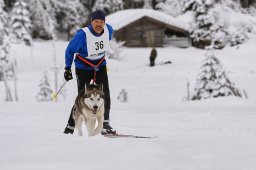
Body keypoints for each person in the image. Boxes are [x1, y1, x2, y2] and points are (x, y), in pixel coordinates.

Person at [63, 10, 116, 135]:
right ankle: (70, 126)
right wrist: (67, 68)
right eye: (96, 21)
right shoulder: (82, 35)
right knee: (82, 97)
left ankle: (105, 123)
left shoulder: (109, 30)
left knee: (105, 93)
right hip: (83, 67)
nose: (99, 24)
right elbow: (70, 51)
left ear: (104, 23)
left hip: (100, 65)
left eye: (101, 22)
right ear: (91, 22)